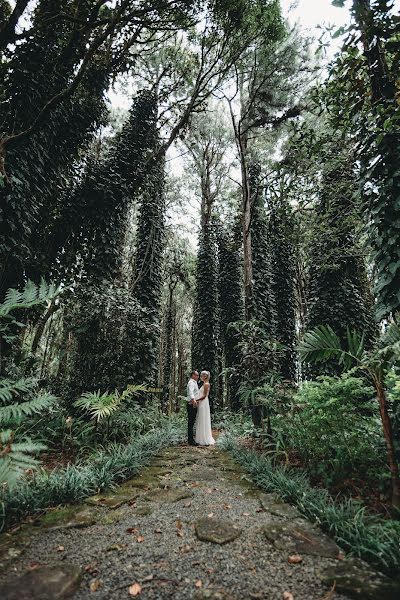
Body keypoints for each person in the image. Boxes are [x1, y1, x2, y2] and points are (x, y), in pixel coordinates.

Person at [195, 370, 215, 446]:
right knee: (201, 418)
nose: (200, 377)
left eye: (202, 376)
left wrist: (196, 400)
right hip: (201, 403)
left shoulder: (206, 384)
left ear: (205, 376)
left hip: (203, 403)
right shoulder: (204, 384)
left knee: (203, 419)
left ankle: (204, 438)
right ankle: (201, 438)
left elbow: (204, 396)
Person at [186, 369, 199, 446]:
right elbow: (191, 392)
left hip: (193, 403)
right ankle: (190, 440)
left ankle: (191, 438)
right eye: (196, 375)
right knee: (191, 422)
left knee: (192, 422)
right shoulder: (191, 383)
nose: (198, 376)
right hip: (191, 404)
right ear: (193, 375)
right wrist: (194, 400)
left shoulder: (195, 382)